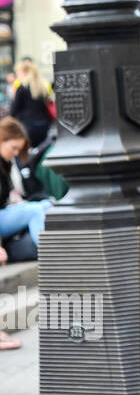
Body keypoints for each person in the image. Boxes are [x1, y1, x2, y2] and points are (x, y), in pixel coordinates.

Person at [0, 117, 53, 266]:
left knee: (46, 204)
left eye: (19, 149)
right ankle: (51, 258)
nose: (16, 154)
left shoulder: (5, 164)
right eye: (14, 148)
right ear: (2, 140)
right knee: (35, 210)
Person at [9, 59, 52, 149]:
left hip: (27, 126)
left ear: (24, 72)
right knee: (39, 151)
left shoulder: (22, 88)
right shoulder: (41, 86)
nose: (17, 75)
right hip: (43, 124)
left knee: (22, 152)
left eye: (18, 72)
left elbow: (14, 110)